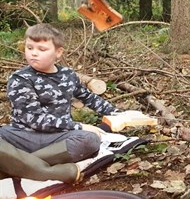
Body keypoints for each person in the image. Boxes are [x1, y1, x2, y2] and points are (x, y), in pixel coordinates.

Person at [0, 23, 117, 167]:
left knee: (99, 134)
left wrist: (117, 114)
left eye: (41, 49)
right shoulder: (20, 79)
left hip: (58, 134)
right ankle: (24, 165)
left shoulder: (67, 75)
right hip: (28, 135)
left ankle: (24, 161)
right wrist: (80, 127)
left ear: (58, 52)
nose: (33, 53)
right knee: (90, 139)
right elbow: (35, 120)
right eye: (29, 48)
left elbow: (88, 97)